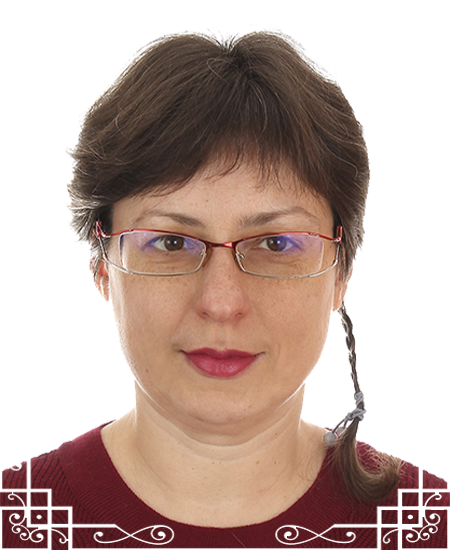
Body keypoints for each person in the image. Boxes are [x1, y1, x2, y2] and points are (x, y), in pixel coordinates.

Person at [2, 29, 448, 549]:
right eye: (171, 242)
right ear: (102, 265)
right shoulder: (16, 523)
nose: (221, 303)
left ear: (341, 272)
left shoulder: (431, 529)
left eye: (276, 243)